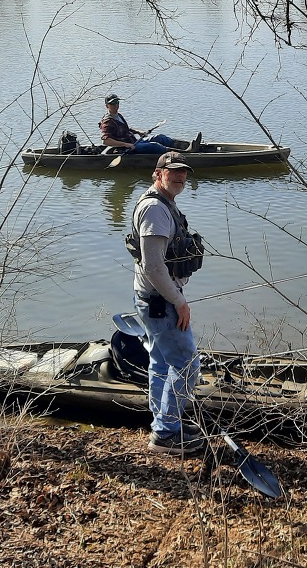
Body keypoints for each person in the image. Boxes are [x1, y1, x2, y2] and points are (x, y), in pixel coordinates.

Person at [129, 151, 206, 455]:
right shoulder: (155, 210)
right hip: (161, 301)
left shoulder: (163, 203)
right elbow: (154, 266)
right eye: (173, 171)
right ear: (158, 173)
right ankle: (165, 434)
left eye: (183, 172)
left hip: (153, 298)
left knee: (162, 363)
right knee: (187, 365)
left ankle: (164, 423)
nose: (180, 177)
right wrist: (179, 301)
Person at [100, 93, 199, 155]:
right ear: (107, 106)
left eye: (117, 102)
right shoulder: (107, 122)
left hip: (134, 141)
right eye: (112, 103)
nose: (116, 105)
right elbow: (106, 141)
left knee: (160, 137)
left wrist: (138, 131)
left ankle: (187, 145)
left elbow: (125, 129)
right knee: (155, 146)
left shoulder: (118, 115)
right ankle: (185, 153)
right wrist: (125, 144)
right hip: (128, 148)